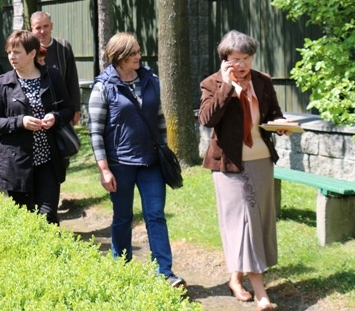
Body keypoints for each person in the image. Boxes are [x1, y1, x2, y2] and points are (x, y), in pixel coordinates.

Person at [199, 30, 292, 311]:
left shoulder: (262, 81)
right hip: (228, 164)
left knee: (258, 220)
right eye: (235, 59)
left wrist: (281, 124)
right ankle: (261, 291)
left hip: (260, 159)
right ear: (224, 60)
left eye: (246, 58)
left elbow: (273, 113)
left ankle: (235, 279)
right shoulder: (211, 83)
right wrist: (227, 87)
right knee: (244, 222)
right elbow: (207, 119)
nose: (241, 64)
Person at [87, 32, 185, 288]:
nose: (138, 57)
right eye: (133, 54)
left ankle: (164, 272)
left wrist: (163, 150)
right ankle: (122, 270)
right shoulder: (103, 86)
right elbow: (95, 131)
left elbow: (160, 119)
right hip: (120, 164)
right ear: (118, 57)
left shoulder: (151, 80)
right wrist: (104, 169)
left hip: (151, 163)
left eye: (139, 52)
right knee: (123, 217)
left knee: (156, 216)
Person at [0, 31, 74, 224]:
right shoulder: (3, 82)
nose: (12, 56)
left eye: (17, 52)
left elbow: (69, 108)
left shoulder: (52, 76)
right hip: (16, 162)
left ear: (33, 53)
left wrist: (55, 116)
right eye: (9, 51)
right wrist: (21, 122)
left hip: (48, 161)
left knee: (48, 216)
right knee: (25, 220)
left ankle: (53, 253)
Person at [30, 11, 81, 125]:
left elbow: (72, 79)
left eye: (46, 26)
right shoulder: (28, 50)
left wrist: (76, 109)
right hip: (36, 113)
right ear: (32, 29)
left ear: (51, 26)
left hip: (62, 110)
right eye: (38, 28)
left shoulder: (63, 47)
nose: (42, 31)